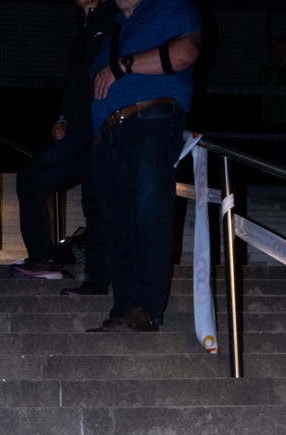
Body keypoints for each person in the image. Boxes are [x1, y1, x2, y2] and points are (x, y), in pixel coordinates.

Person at [86, 0, 201, 332]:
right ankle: (124, 308)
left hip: (151, 120)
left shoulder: (168, 6)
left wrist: (123, 65)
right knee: (118, 226)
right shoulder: (112, 30)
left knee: (150, 212)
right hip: (108, 136)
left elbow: (185, 53)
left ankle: (145, 308)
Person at [11, 0, 115, 294]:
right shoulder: (82, 30)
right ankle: (43, 258)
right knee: (31, 176)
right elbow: (74, 86)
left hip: (100, 127)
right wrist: (61, 119)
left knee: (95, 202)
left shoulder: (113, 17)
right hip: (74, 131)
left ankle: (97, 280)